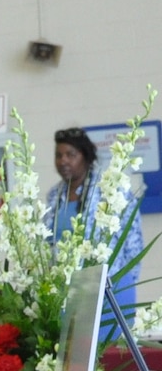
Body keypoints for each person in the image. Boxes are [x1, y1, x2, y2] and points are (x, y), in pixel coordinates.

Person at [48, 127, 144, 315]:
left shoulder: (110, 188)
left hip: (111, 288)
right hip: (69, 291)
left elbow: (134, 242)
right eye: (58, 155)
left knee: (111, 345)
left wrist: (124, 282)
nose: (63, 161)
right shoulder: (54, 195)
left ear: (85, 156)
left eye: (70, 154)